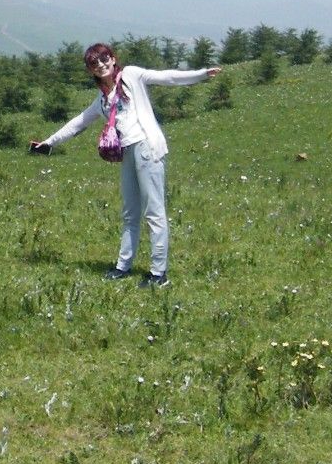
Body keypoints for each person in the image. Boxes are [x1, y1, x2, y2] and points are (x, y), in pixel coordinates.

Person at [28, 43, 219, 287]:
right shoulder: (102, 99)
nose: (101, 65)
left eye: (104, 59)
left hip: (147, 147)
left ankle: (158, 274)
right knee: (130, 213)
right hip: (127, 152)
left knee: (154, 212)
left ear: (113, 58)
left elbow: (166, 77)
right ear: (91, 70)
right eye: (94, 63)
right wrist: (48, 143)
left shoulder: (131, 75)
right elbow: (78, 123)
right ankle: (123, 266)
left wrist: (201, 74)